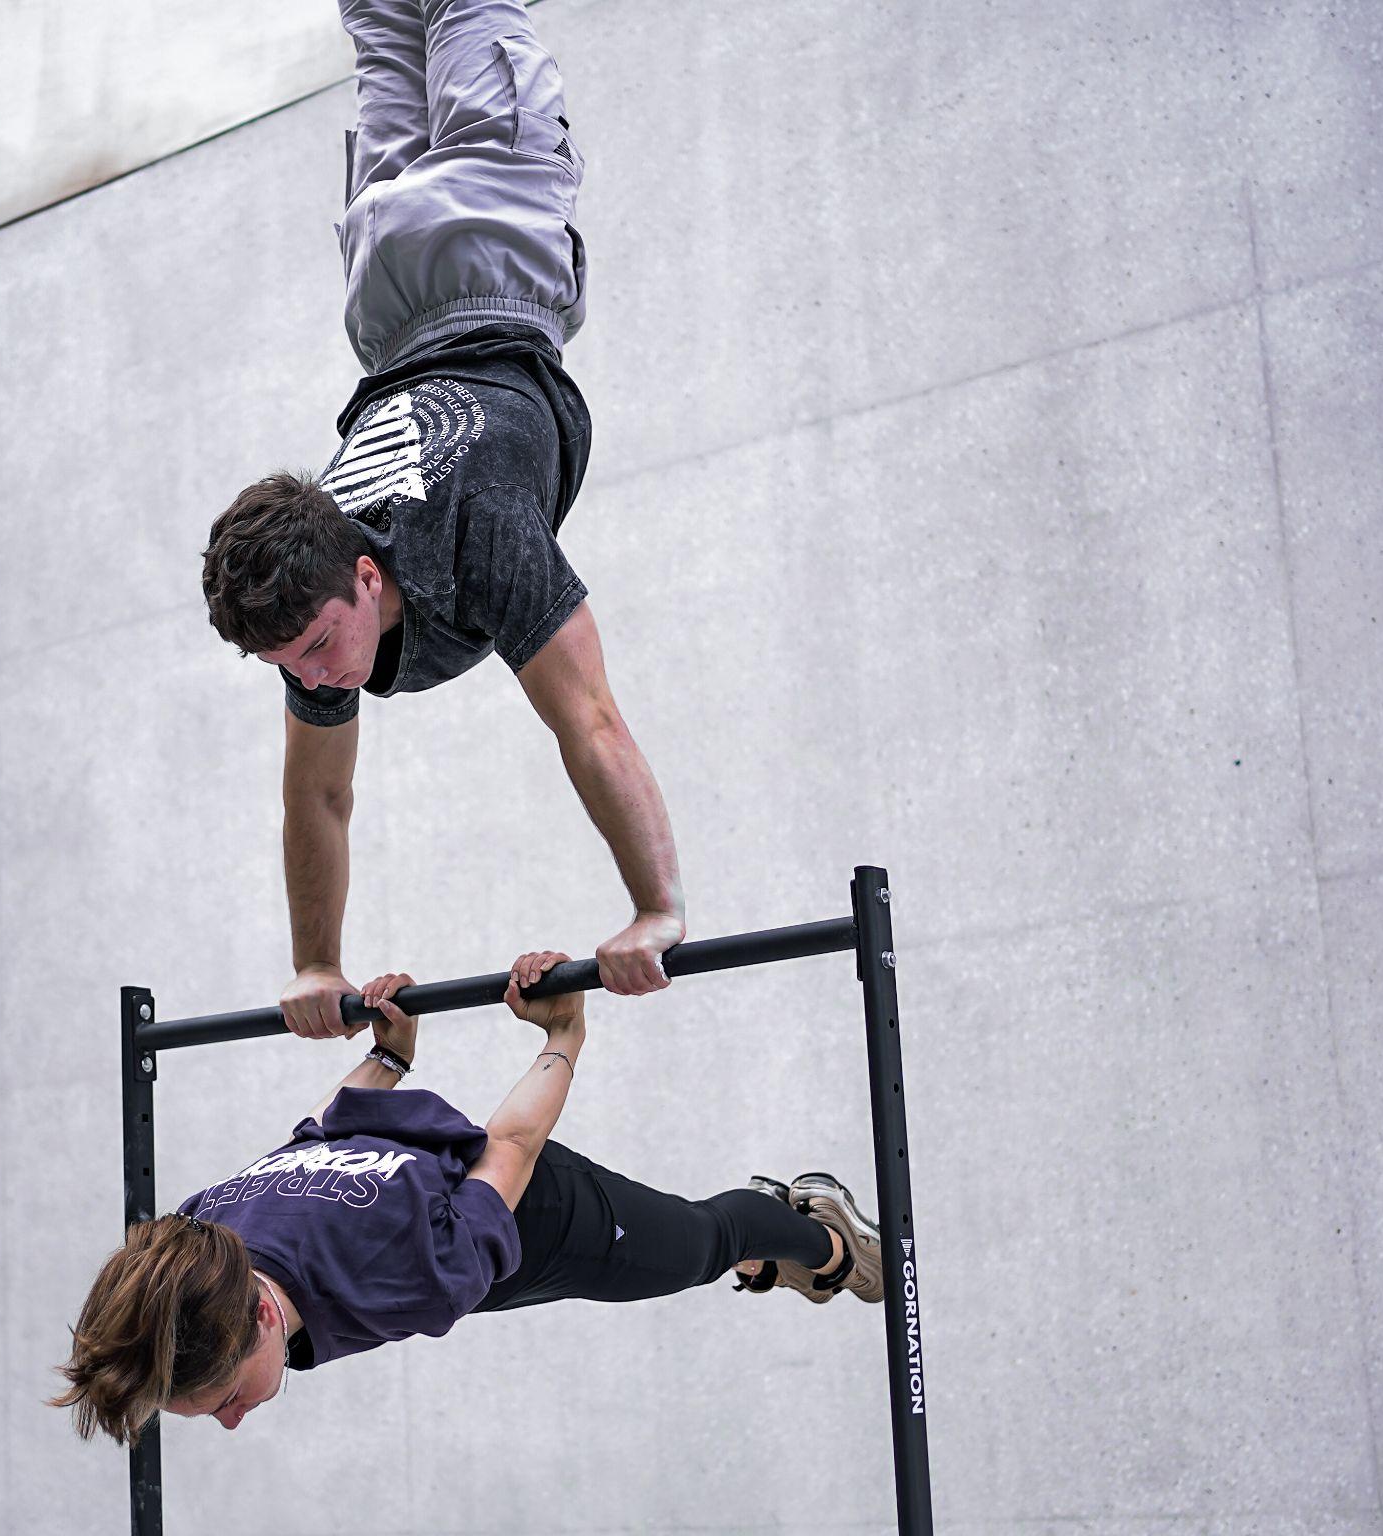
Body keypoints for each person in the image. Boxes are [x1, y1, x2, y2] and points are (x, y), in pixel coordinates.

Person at [199, 0, 685, 1038]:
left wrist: (655, 908)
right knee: (384, 15)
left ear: (367, 577)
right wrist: (313, 962)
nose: (318, 676)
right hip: (381, 286)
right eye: (290, 663)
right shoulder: (315, 593)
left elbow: (588, 719)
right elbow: (315, 800)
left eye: (320, 645)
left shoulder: (482, 533)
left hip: (491, 230)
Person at [52, 953, 883, 1440]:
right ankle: (780, 1246)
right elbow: (318, 1136)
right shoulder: (199, 1232)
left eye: (226, 1397)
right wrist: (390, 1059)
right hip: (453, 1211)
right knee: (692, 1248)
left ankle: (821, 1239)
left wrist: (565, 1031)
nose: (233, 1422)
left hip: (548, 1217)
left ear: (265, 1317)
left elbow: (512, 1146)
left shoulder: (416, 1272)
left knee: (703, 1244)